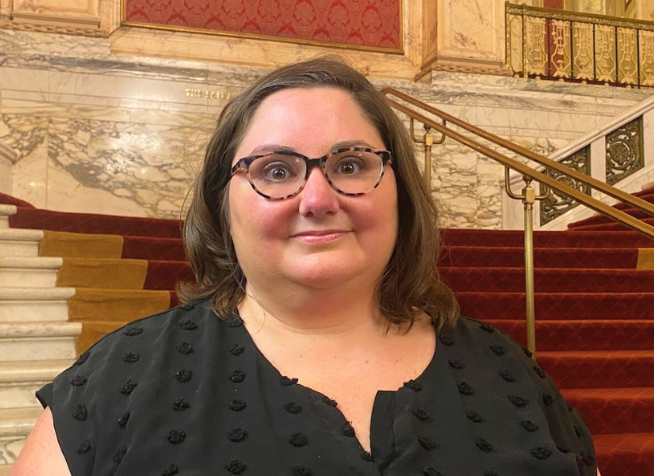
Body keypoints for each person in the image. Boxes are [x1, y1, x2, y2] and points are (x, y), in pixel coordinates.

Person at [11, 57, 599, 476]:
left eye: (350, 165)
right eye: (275, 171)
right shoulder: (121, 379)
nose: (317, 199)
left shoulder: (508, 371)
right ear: (222, 204)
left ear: (400, 192)